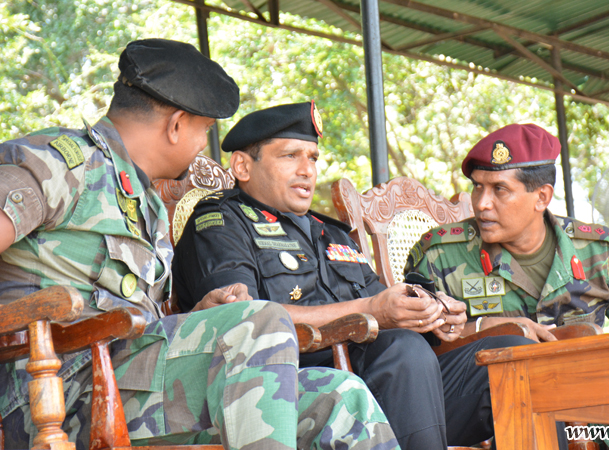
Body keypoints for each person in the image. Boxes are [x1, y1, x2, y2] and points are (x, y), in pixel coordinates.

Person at [0, 39, 398, 450]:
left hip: (129, 377)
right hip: (60, 391)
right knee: (262, 320)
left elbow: (133, 319)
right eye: (205, 130)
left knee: (341, 397)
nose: (205, 145)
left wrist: (201, 318)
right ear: (176, 125)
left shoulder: (143, 199)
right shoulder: (60, 163)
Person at [172, 102, 537, 450]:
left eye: (313, 158)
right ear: (242, 166)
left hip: (385, 377)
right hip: (293, 385)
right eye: (290, 156)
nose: (307, 170)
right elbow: (244, 323)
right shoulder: (220, 223)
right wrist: (373, 311)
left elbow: (382, 302)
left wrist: (430, 314)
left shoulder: (330, 233)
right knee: (403, 352)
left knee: (512, 357)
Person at [404, 123, 609, 450]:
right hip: (494, 414)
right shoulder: (440, 255)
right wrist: (487, 328)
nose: (482, 203)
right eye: (477, 187)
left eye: (499, 190)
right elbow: (412, 357)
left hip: (591, 410)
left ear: (541, 196)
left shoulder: (595, 250)